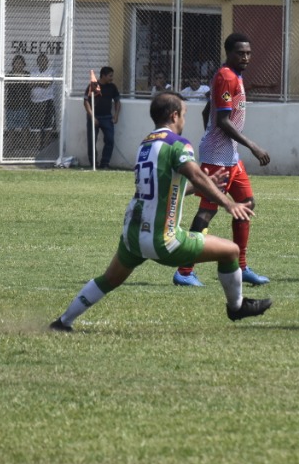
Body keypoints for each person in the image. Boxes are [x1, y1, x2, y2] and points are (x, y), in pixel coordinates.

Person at [50, 92, 271, 332]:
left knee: (108, 280)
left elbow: (165, 187)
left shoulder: (146, 144)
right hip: (162, 240)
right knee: (231, 251)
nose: (184, 120)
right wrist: (229, 203)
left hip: (133, 234)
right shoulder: (177, 144)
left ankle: (63, 322)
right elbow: (194, 174)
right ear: (174, 115)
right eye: (184, 115)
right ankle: (236, 307)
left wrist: (203, 186)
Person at [173, 32, 271, 288]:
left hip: (230, 155)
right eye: (241, 53)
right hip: (218, 156)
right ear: (229, 53)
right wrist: (252, 146)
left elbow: (209, 110)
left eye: (249, 53)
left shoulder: (234, 76)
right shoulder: (226, 76)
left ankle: (241, 267)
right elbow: (223, 120)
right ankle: (184, 271)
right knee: (207, 210)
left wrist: (213, 134)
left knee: (247, 202)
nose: (246, 57)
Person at [84, 65, 121, 170]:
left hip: (107, 118)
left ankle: (105, 163)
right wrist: (92, 117)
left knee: (110, 140)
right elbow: (86, 101)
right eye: (110, 76)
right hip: (94, 117)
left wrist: (116, 115)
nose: (112, 78)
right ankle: (93, 163)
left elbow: (117, 101)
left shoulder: (112, 87)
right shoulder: (93, 86)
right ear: (103, 76)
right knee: (92, 141)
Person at [29, 52, 56, 145]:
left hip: (47, 100)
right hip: (35, 101)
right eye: (40, 60)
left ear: (47, 61)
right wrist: (41, 83)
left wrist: (36, 83)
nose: (42, 62)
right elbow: (30, 84)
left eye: (44, 60)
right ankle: (38, 143)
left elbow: (47, 84)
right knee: (35, 123)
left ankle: (45, 143)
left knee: (48, 123)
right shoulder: (34, 71)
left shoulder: (51, 71)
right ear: (37, 62)